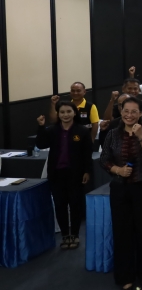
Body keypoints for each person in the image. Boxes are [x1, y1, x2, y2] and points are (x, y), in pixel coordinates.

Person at [100, 98, 142, 290]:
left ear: (141, 112)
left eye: (134, 111)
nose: (129, 115)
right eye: (126, 111)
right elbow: (104, 159)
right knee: (122, 232)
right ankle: (125, 275)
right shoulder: (112, 134)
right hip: (120, 189)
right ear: (121, 111)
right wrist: (117, 170)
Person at [36, 102, 92, 250]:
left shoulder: (82, 130)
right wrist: (41, 127)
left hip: (76, 174)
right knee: (60, 206)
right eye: (62, 112)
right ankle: (65, 235)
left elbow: (87, 153)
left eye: (68, 111)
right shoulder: (52, 130)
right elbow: (41, 144)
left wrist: (87, 171)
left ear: (74, 113)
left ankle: (75, 234)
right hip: (56, 174)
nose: (65, 115)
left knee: (75, 205)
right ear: (58, 114)